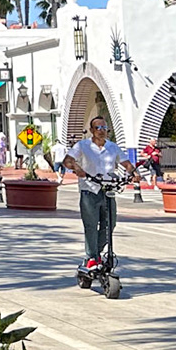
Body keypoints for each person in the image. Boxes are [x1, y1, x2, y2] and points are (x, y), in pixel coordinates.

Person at [68, 116, 125, 272]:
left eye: (104, 128)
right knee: (91, 226)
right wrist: (77, 168)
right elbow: (68, 160)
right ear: (92, 131)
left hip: (108, 190)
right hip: (89, 190)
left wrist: (134, 172)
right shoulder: (82, 146)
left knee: (110, 224)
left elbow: (125, 162)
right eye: (98, 128)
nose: (102, 131)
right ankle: (91, 257)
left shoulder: (113, 147)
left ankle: (96, 253)